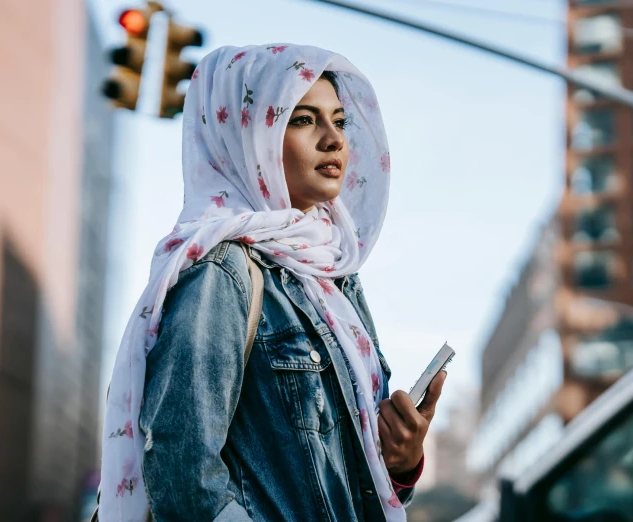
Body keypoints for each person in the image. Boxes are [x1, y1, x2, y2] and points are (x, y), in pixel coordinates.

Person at [99, 44, 446, 522]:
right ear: (250, 137)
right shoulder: (222, 274)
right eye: (303, 120)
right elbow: (184, 477)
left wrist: (401, 461)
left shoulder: (334, 277)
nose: (333, 140)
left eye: (339, 121)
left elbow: (343, 483)